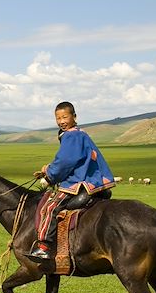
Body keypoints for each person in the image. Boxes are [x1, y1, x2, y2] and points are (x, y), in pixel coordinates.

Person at [28, 101, 116, 262]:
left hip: (80, 182)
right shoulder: (79, 133)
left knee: (48, 207)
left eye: (65, 117)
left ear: (74, 116)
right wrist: (47, 168)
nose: (61, 121)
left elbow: (65, 162)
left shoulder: (71, 135)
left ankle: (44, 247)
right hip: (93, 180)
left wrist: (49, 175)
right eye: (58, 118)